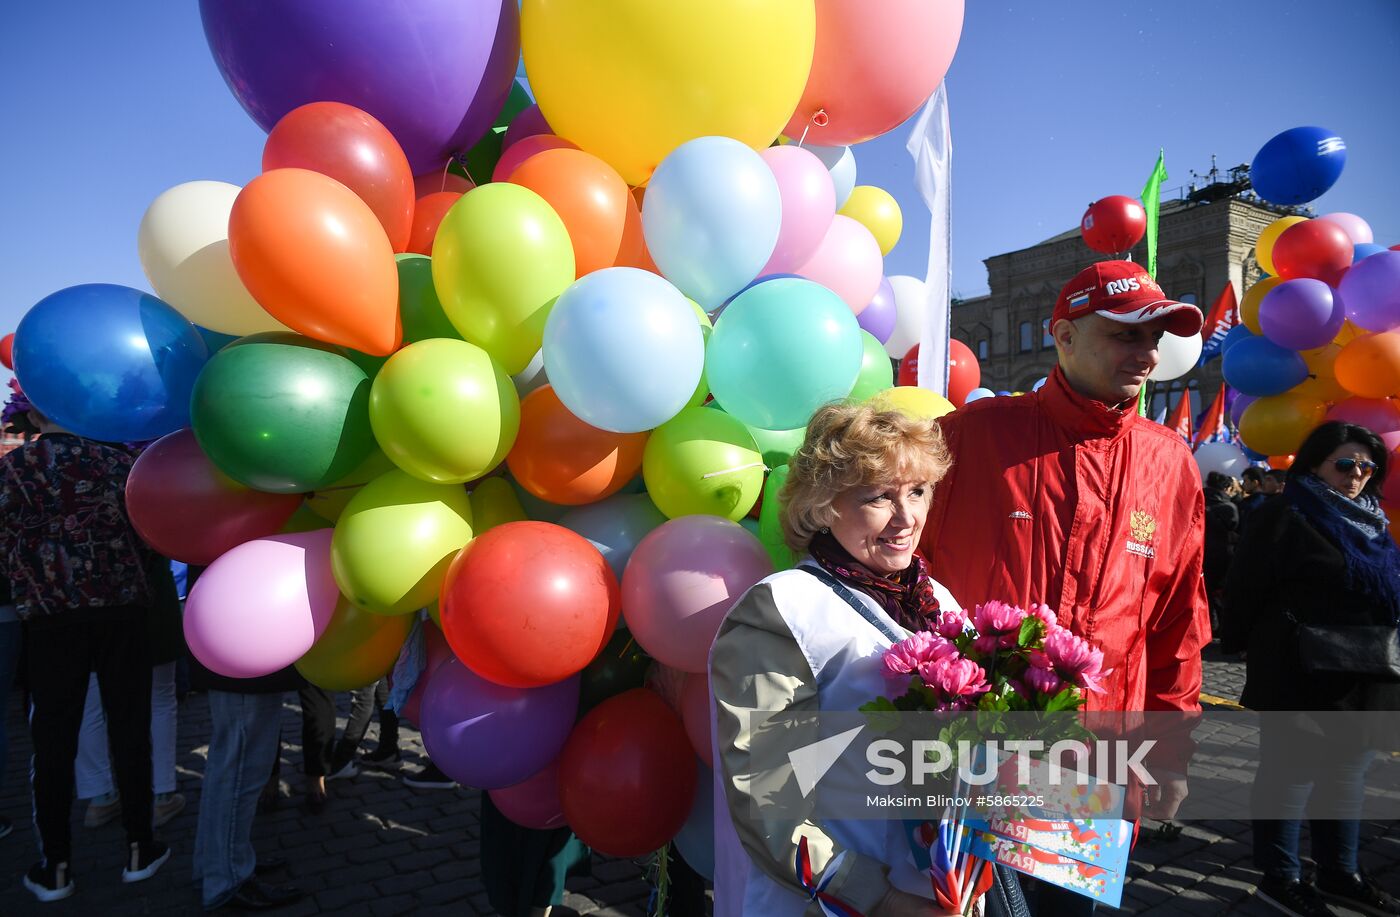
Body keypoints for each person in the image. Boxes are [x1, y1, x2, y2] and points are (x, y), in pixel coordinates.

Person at [920, 260, 1212, 915]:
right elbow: (900, 582)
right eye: (1125, 334)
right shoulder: (970, 438)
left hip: (1098, 765)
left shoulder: (1170, 463)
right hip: (970, 760)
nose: (1146, 353)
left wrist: (1170, 756)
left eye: (1154, 336)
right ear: (1063, 335)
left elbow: (1177, 625)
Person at [711, 402, 963, 917]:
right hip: (834, 903)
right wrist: (880, 899)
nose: (906, 517)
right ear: (825, 505)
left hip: (936, 894)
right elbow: (769, 797)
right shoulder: (782, 609)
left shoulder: (938, 598)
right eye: (879, 497)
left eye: (918, 491)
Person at [1220, 421, 1400, 917]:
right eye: (1345, 464)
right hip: (1299, 670)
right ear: (1315, 464)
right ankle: (1282, 879)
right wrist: (1236, 642)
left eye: (1367, 466)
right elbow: (1244, 587)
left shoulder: (1374, 521)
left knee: (1347, 778)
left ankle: (1340, 873)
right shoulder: (1286, 512)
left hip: (1364, 670)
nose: (1357, 475)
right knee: (1290, 777)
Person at [0, 407, 170, 901]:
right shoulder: (119, 465)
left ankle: (55, 865)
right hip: (122, 612)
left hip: (50, 619)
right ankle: (141, 847)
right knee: (131, 728)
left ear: (33, 414)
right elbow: (152, 540)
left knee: (52, 740)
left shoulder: (14, 470)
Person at [76, 553, 186, 830]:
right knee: (160, 699)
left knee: (90, 700)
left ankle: (100, 796)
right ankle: (162, 793)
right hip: (150, 595)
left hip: (83, 597)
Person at [1203, 471, 1240, 633]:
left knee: (1203, 590)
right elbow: (1234, 526)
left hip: (1199, 552)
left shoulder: (1197, 499)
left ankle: (1207, 623)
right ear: (1226, 487)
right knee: (1220, 591)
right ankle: (1221, 625)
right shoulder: (1229, 507)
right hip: (1222, 554)